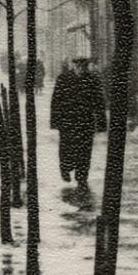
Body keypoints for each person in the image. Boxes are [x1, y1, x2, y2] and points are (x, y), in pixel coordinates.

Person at [50, 56, 107, 189]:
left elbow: (99, 102)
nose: (81, 69)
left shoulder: (92, 80)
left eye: (83, 66)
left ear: (86, 67)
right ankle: (66, 169)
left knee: (85, 150)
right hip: (67, 121)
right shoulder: (63, 79)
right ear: (74, 66)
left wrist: (101, 122)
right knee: (67, 147)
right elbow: (56, 100)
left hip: (86, 121)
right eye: (78, 66)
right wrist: (55, 121)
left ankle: (82, 177)